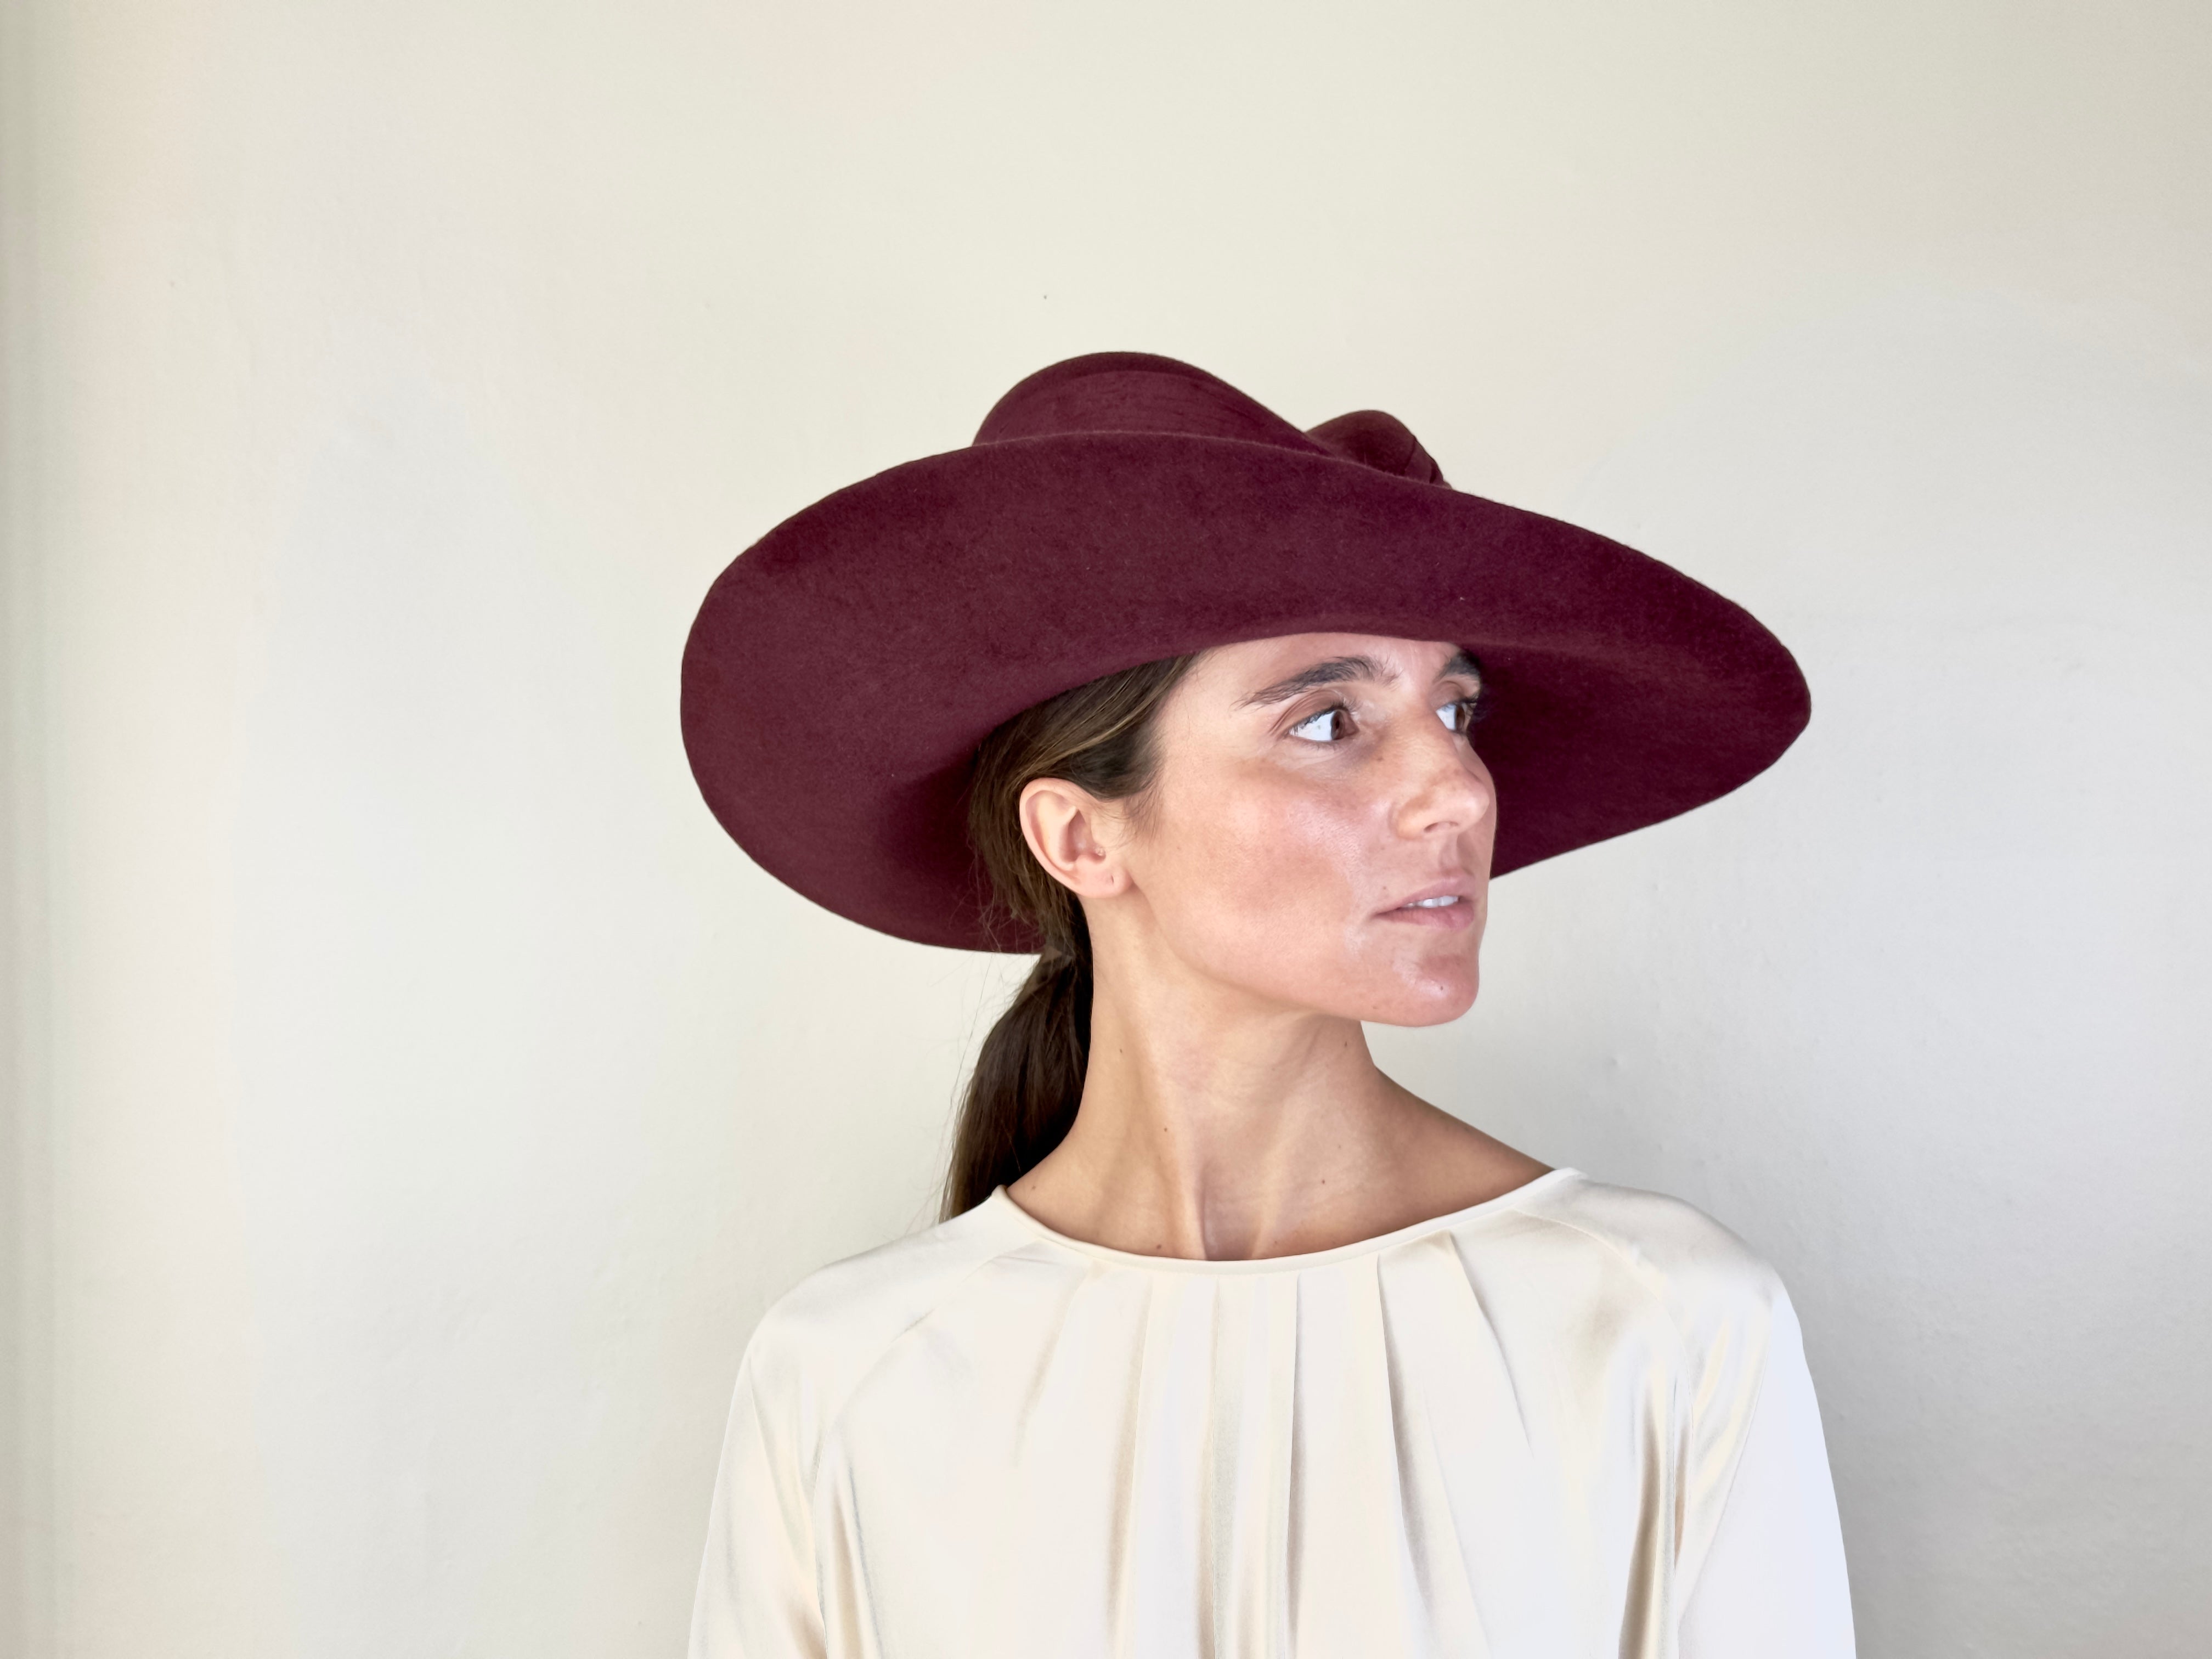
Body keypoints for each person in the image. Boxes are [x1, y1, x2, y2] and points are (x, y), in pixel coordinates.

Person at [678, 353, 1855, 1657]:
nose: (1461, 789)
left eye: (1456, 707)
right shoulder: (851, 1378)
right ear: (1080, 837)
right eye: (1329, 720)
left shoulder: (1660, 1324)